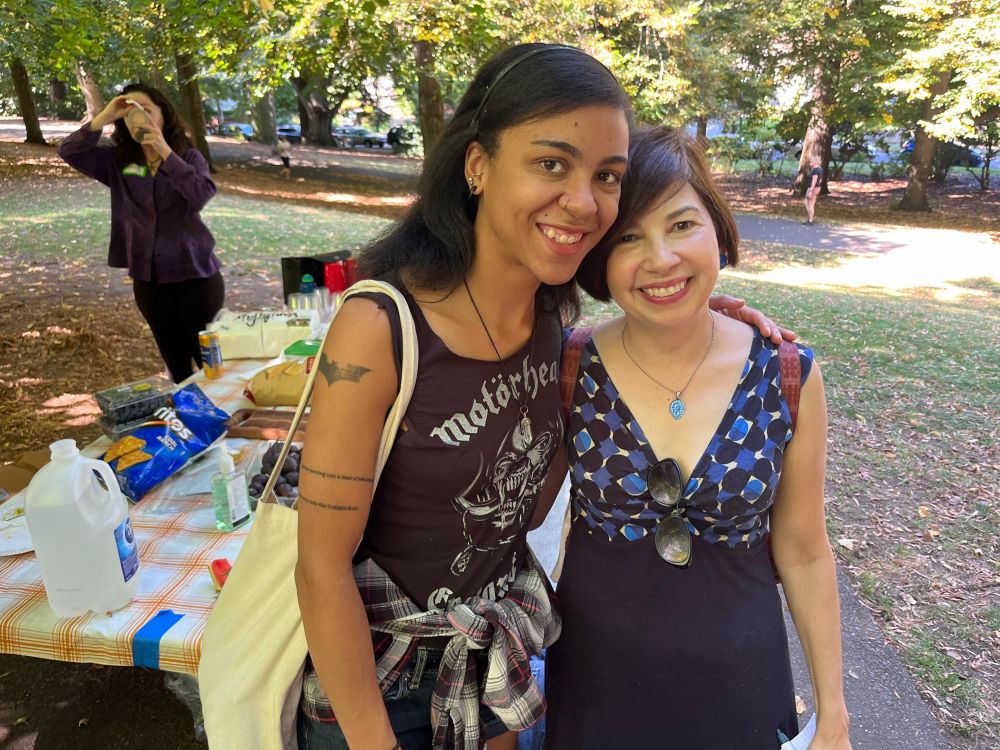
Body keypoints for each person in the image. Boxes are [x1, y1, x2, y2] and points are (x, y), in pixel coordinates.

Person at [293, 45, 784, 750]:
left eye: (605, 176)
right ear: (477, 164)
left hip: (500, 660)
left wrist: (712, 316)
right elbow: (320, 566)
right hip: (379, 684)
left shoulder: (556, 323)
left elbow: (650, 325)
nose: (583, 202)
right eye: (551, 163)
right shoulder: (379, 328)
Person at [544, 127, 851, 749]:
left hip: (740, 694)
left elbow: (806, 551)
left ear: (718, 225)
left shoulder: (786, 373)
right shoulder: (568, 366)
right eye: (628, 237)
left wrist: (834, 713)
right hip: (595, 696)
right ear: (600, 258)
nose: (660, 258)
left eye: (682, 225)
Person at [58, 83, 222, 383]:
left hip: (196, 276)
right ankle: (190, 423)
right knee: (176, 365)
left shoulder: (189, 158)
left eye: (146, 110)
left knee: (210, 363)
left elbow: (200, 195)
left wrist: (164, 151)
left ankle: (228, 420)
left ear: (164, 116)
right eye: (131, 113)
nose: (139, 118)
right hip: (149, 280)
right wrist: (105, 115)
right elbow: (69, 151)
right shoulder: (118, 162)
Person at [804, 157, 823, 224]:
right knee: (807, 202)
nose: (810, 163)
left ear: (815, 162)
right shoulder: (820, 169)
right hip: (817, 187)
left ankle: (810, 220)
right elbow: (820, 180)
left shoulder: (815, 170)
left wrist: (811, 191)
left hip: (813, 188)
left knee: (810, 204)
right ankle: (810, 218)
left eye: (811, 162)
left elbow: (814, 181)